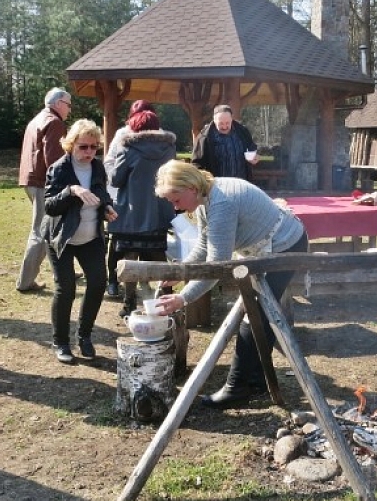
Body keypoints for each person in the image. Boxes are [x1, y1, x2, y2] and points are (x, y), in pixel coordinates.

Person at [153, 160, 308, 409]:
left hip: (285, 246)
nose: (175, 207)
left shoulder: (221, 202)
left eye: (176, 200)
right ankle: (257, 381)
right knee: (260, 314)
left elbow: (217, 265)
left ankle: (237, 387)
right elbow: (204, 246)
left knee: (255, 313)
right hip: (263, 249)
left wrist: (183, 298)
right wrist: (181, 271)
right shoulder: (207, 198)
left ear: (191, 188)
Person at [42, 119, 117, 364]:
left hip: (91, 236)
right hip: (62, 238)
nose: (89, 152)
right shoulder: (59, 168)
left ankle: (84, 336)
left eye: (94, 147)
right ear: (71, 144)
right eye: (83, 147)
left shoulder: (97, 167)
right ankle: (61, 343)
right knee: (66, 289)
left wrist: (107, 207)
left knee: (97, 283)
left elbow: (102, 193)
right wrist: (71, 191)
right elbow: (50, 207)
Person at [106, 101, 176, 317]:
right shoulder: (169, 148)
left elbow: (116, 179)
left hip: (133, 214)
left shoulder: (128, 148)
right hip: (159, 212)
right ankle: (168, 302)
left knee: (130, 260)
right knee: (159, 258)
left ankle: (129, 304)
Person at [16, 88, 72, 293]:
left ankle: (61, 270)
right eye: (68, 104)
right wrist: (64, 185)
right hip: (42, 182)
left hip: (32, 180)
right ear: (58, 103)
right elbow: (55, 160)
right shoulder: (54, 122)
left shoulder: (38, 119)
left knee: (48, 227)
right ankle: (25, 281)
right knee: (41, 230)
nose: (69, 109)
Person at [192, 104, 259, 180]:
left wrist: (254, 157)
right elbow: (196, 165)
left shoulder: (243, 132)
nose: (224, 127)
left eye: (227, 123)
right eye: (220, 123)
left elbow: (252, 148)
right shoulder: (204, 137)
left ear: (231, 119)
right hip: (216, 186)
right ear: (214, 120)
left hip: (241, 184)